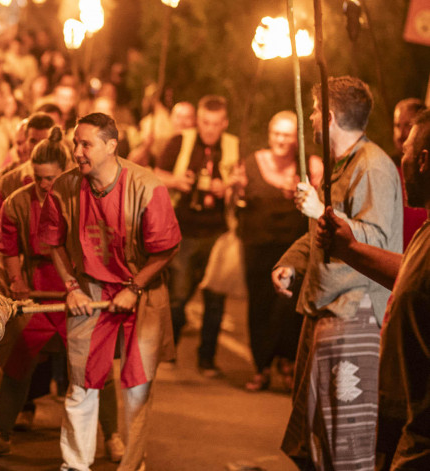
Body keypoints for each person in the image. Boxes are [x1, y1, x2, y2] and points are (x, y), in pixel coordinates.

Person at [272, 76, 402, 471]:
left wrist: (319, 211)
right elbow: (322, 233)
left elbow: (373, 241)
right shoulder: (339, 165)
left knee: (343, 443)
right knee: (312, 440)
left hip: (354, 315)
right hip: (323, 309)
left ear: (328, 116)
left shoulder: (372, 166)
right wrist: (290, 263)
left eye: (314, 110)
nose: (310, 117)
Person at [38, 113, 181, 471]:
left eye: (86, 144)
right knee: (81, 383)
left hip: (142, 289)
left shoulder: (147, 186)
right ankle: (75, 465)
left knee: (137, 388)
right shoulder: (65, 187)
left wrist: (135, 287)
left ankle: (132, 465)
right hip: (90, 289)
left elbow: (166, 248)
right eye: (76, 143)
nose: (77, 151)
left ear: (111, 145)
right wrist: (71, 286)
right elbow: (53, 243)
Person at [0, 126, 124, 463]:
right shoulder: (17, 202)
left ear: (67, 171)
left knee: (97, 368)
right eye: (39, 177)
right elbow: (8, 248)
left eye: (51, 177)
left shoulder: (87, 196)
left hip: (82, 294)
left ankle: (113, 435)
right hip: (37, 296)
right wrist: (16, 281)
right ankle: (2, 432)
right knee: (17, 362)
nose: (45, 184)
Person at [314, 108, 430, 470]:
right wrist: (349, 249)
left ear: (424, 161)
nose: (403, 161)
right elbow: (412, 278)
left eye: (407, 153)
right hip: (405, 414)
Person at [233, 111, 321, 391]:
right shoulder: (251, 162)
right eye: (277, 133)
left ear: (297, 139)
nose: (281, 140)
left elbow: (322, 201)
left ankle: (287, 361)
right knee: (259, 307)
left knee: (287, 307)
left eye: (288, 134)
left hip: (293, 249)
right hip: (258, 247)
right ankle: (261, 366)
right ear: (269, 134)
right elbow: (237, 201)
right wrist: (235, 190)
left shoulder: (310, 164)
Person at [155, 95, 239, 376]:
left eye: (216, 124)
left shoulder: (233, 146)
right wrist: (177, 181)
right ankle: (171, 348)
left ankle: (207, 358)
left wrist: (226, 187)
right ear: (198, 120)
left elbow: (241, 182)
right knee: (179, 293)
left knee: (215, 296)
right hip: (184, 228)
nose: (210, 129)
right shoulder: (182, 141)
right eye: (205, 123)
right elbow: (156, 174)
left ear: (224, 123)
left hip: (218, 232)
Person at [0, 112, 55, 237]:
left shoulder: (71, 182)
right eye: (33, 141)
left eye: (44, 141)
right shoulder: (5, 183)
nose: (38, 148)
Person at [392, 98, 428, 247]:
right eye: (397, 126)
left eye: (408, 125)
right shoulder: (388, 170)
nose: (401, 135)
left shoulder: (423, 179)